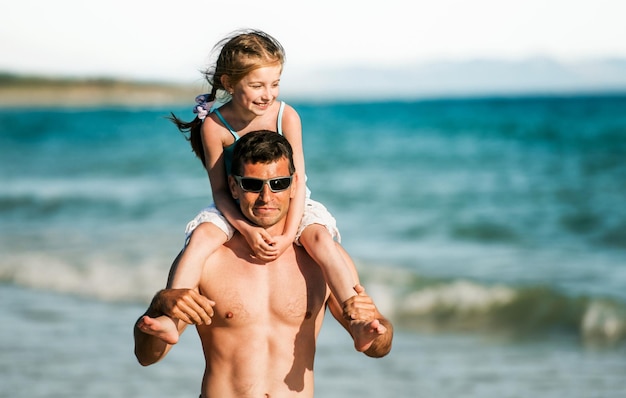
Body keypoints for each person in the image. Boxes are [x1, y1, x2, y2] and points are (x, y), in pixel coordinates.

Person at [134, 131, 393, 398]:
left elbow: (379, 346)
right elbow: (147, 356)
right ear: (234, 187)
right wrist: (159, 305)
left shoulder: (323, 259)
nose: (266, 197)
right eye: (253, 185)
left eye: (278, 183)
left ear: (294, 185)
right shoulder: (208, 257)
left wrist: (372, 330)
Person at [162, 28, 369, 336]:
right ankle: (170, 313)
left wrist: (287, 237)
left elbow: (298, 181)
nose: (268, 94)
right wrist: (245, 228)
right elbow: (220, 190)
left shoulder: (286, 116)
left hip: (292, 199)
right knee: (201, 238)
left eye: (275, 84)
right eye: (257, 85)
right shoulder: (215, 127)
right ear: (229, 83)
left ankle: (355, 308)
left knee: (321, 241)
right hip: (234, 204)